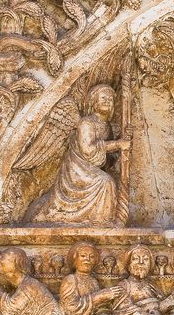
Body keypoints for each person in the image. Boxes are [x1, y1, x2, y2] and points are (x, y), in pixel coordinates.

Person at [31, 84, 130, 224]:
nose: (107, 101)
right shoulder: (87, 122)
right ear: (93, 102)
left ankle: (99, 220)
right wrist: (117, 144)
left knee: (108, 180)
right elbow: (88, 150)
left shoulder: (107, 126)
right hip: (77, 170)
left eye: (110, 99)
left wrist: (121, 141)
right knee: (106, 182)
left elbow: (107, 160)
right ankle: (97, 220)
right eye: (103, 98)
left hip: (91, 170)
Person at [0, 248, 63, 315]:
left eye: (4, 257)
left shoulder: (29, 285)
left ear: (17, 263)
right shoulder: (17, 287)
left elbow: (10, 309)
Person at [59, 242, 119, 315]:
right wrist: (99, 296)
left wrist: (102, 314)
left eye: (92, 257)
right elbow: (70, 313)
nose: (87, 259)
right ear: (75, 259)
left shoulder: (93, 281)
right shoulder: (70, 279)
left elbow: (100, 306)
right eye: (83, 256)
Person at [111, 245, 164, 315]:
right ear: (128, 264)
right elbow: (124, 309)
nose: (141, 262)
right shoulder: (125, 285)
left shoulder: (152, 285)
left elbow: (161, 305)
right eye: (136, 258)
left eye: (146, 259)